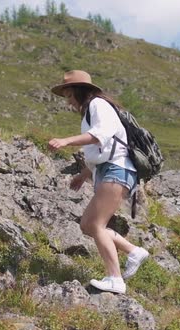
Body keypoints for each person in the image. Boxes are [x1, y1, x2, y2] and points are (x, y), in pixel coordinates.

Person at [48, 70, 149, 294]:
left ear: (78, 91)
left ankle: (115, 279)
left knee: (96, 224)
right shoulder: (89, 112)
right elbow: (101, 149)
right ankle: (133, 251)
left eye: (69, 96)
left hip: (117, 169)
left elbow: (101, 135)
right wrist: (85, 174)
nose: (68, 102)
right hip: (109, 169)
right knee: (87, 225)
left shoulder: (97, 105)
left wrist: (66, 141)